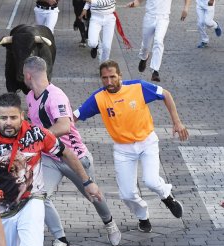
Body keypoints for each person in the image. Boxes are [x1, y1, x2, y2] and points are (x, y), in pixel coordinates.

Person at [0, 93, 103, 246]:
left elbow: (66, 153)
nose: (8, 122)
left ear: (22, 115)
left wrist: (87, 181)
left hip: (32, 200)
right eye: (4, 117)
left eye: (13, 117)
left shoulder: (37, 134)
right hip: (2, 208)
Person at [74, 60, 189, 233]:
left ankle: (167, 196)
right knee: (127, 194)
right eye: (104, 78)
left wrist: (177, 122)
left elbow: (166, 94)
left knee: (150, 181)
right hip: (123, 150)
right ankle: (143, 216)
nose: (109, 82)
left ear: (120, 75)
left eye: (113, 77)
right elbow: (73, 116)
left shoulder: (138, 87)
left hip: (147, 143)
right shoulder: (99, 98)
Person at [23, 56, 121, 246]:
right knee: (39, 195)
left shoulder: (55, 96)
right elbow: (32, 123)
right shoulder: (30, 97)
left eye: (23, 75)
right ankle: (62, 242)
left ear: (28, 75)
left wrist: (37, 137)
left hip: (75, 158)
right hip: (50, 158)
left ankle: (109, 223)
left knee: (92, 195)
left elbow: (64, 126)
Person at [127, 0, 190, 82]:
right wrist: (134, 3)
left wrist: (186, 8)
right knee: (146, 46)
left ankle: (155, 71)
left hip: (163, 18)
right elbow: (139, 1)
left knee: (158, 41)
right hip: (149, 17)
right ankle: (144, 57)